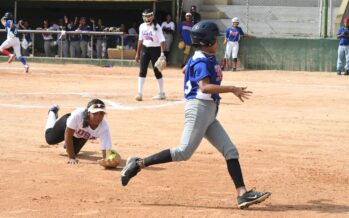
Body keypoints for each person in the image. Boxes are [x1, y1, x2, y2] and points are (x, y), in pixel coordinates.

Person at [120, 20, 271, 209]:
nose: (217, 42)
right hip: (199, 109)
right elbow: (205, 87)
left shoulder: (202, 56)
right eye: (215, 39)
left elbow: (185, 70)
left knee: (230, 151)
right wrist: (232, 88)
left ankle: (242, 194)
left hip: (209, 112)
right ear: (207, 43)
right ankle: (138, 163)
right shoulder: (201, 59)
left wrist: (190, 65)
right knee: (183, 152)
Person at [44, 99, 114, 164]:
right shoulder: (77, 115)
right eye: (95, 114)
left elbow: (106, 150)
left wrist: (107, 161)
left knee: (72, 151)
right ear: (88, 113)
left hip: (81, 135)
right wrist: (72, 158)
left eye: (101, 114)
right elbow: (68, 134)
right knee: (50, 139)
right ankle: (52, 112)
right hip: (66, 127)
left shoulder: (104, 127)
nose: (98, 117)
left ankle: (67, 144)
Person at [135, 9, 166, 101]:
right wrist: (137, 53)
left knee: (157, 71)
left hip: (155, 50)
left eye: (149, 16)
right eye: (146, 16)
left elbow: (162, 41)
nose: (148, 18)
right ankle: (139, 93)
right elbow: (140, 40)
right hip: (145, 49)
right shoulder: (142, 26)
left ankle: (161, 93)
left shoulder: (157, 27)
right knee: (142, 71)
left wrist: (162, 53)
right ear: (143, 17)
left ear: (152, 16)